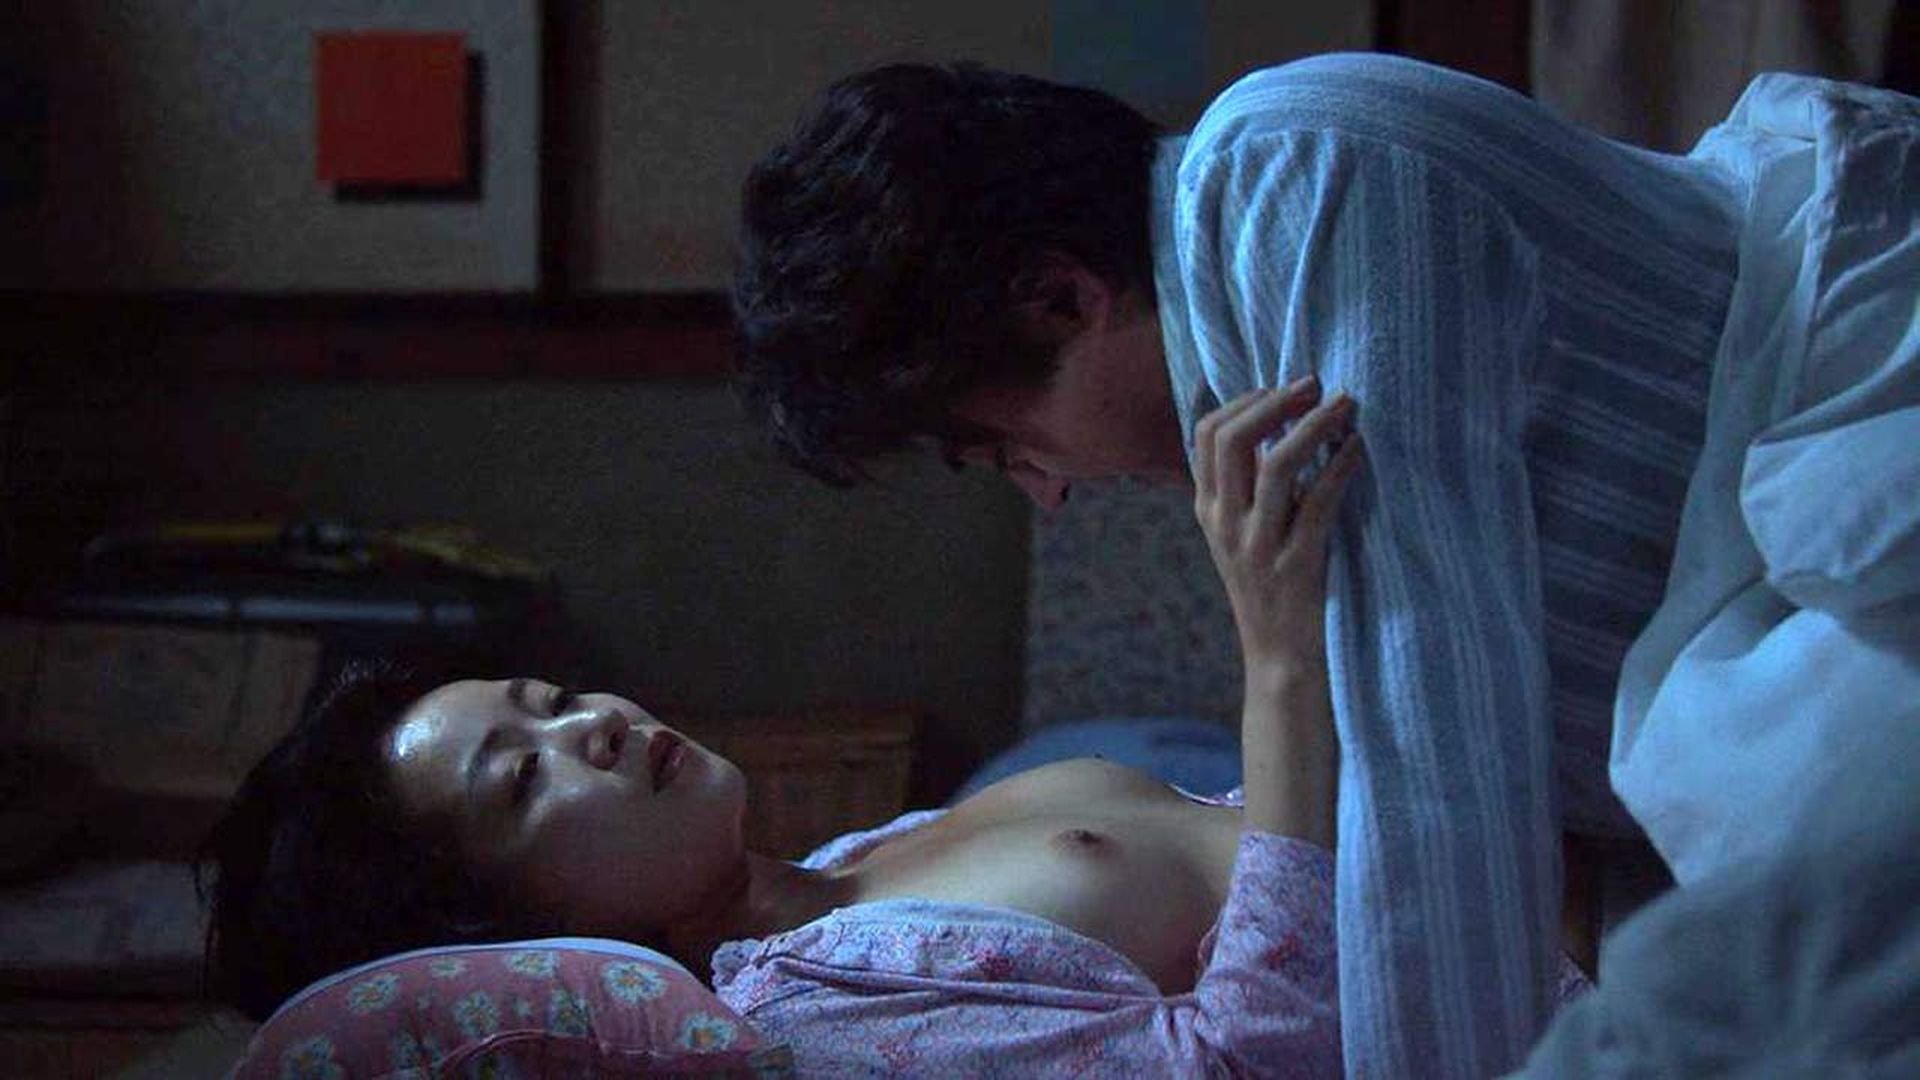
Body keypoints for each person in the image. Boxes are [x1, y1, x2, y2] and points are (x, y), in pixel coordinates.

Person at [734, 52, 1919, 1076]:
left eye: (1005, 446)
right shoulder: (1244, 357)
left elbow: (1439, 763)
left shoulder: (1292, 178)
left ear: (1061, 298)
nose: (1045, 489)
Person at [206, 394, 1383, 1075]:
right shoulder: (806, 1023)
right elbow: (1246, 1066)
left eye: (552, 702)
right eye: (522, 780)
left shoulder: (847, 865)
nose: (595, 726)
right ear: (511, 930)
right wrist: (1280, 650)